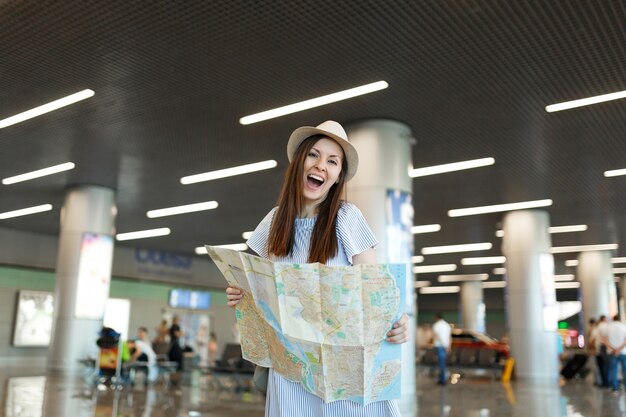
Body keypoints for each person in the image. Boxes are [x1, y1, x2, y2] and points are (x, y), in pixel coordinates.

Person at [226, 120, 409, 417]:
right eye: (313, 155)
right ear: (300, 162)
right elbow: (258, 292)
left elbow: (377, 288)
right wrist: (240, 294)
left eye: (332, 161)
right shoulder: (273, 223)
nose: (321, 165)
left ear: (338, 176)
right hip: (292, 370)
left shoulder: (347, 218)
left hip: (343, 372)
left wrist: (399, 323)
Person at [602, 314, 626, 392]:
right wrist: (618, 349)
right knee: (625, 370)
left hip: (611, 352)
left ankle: (615, 388)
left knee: (613, 370)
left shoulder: (608, 327)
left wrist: (614, 349)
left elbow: (604, 340)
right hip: (623, 352)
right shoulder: (623, 326)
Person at [432, 312, 452, 386]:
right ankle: (441, 379)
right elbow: (449, 337)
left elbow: (440, 337)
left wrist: (445, 346)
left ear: (437, 317)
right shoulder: (447, 325)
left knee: (441, 364)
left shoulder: (436, 325)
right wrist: (448, 346)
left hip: (440, 346)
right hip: (445, 346)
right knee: (442, 363)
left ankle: (443, 380)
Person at [590, 315, 609, 387]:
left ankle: (604, 382)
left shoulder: (596, 329)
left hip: (599, 349)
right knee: (605, 366)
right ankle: (606, 382)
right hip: (604, 349)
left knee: (601, 367)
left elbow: (592, 340)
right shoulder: (606, 327)